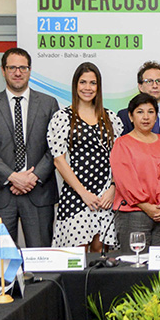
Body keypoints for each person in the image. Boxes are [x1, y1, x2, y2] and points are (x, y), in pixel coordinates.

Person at [0, 48, 59, 247]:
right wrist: (13, 177)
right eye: (12, 68)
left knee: (40, 259)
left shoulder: (48, 104)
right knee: (2, 259)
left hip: (38, 193)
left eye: (23, 68)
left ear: (30, 70)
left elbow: (55, 147)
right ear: (3, 70)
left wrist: (32, 177)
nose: (18, 73)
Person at [47, 62, 123, 250]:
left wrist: (113, 187)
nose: (87, 88)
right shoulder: (63, 117)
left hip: (104, 196)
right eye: (83, 82)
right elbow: (59, 160)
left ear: (99, 87)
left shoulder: (111, 118)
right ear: (75, 85)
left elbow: (119, 158)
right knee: (76, 256)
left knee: (100, 256)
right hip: (76, 195)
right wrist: (83, 194)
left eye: (92, 83)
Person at [116, 61, 160, 245]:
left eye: (159, 81)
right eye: (149, 81)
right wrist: (145, 205)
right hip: (136, 210)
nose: (145, 117)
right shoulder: (122, 137)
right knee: (135, 259)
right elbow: (124, 176)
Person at [117, 61, 160, 143]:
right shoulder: (124, 115)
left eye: (159, 81)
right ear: (140, 86)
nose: (155, 86)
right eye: (149, 81)